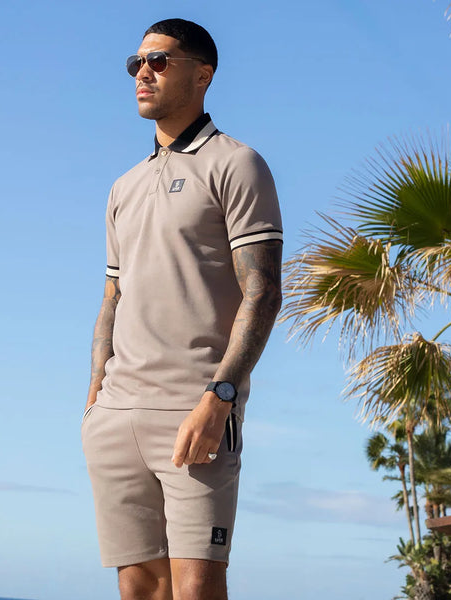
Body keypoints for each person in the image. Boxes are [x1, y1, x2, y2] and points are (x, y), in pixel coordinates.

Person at [82, 18, 283, 600]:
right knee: (140, 589)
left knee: (196, 588)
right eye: (136, 63)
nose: (142, 73)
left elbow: (263, 291)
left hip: (194, 409)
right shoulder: (123, 187)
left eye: (159, 61)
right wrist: (95, 401)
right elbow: (112, 298)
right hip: (116, 415)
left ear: (203, 75)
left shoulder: (237, 164)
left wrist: (220, 397)